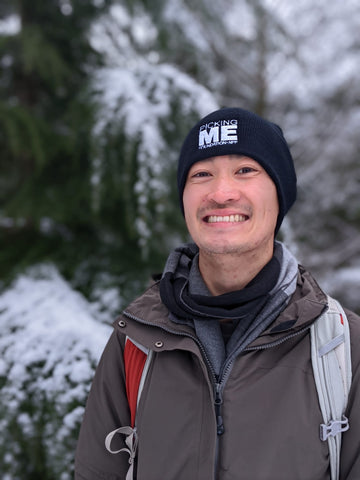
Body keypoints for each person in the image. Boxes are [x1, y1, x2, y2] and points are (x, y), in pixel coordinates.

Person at [75, 107, 360, 480]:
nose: (221, 192)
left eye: (245, 170)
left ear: (280, 194)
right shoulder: (138, 341)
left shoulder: (343, 347)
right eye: (202, 174)